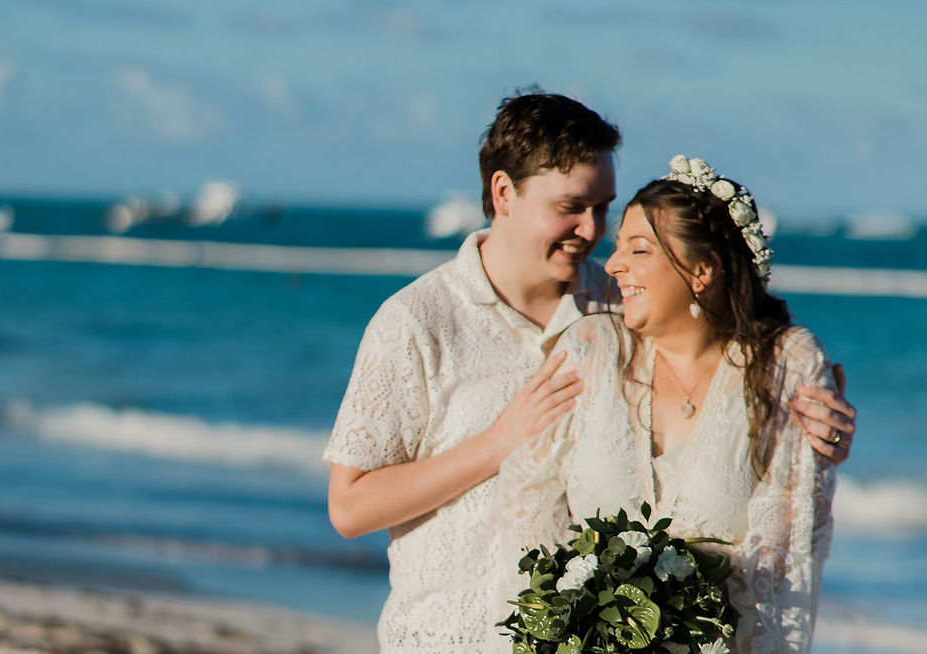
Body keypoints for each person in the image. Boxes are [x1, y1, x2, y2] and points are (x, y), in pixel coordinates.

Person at [324, 93, 854, 653]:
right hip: (442, 641)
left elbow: (713, 394)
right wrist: (498, 443)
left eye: (603, 207)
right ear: (504, 193)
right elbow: (350, 506)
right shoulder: (417, 321)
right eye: (571, 206)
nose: (591, 228)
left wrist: (808, 435)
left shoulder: (616, 305)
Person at [494, 155, 841, 652]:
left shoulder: (786, 365)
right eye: (617, 249)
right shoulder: (590, 350)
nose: (612, 265)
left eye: (639, 250)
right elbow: (529, 510)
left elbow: (782, 570)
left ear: (702, 271)